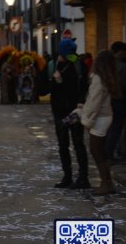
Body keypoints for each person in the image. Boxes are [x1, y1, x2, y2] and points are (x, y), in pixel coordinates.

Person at [75, 50, 121, 195]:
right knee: (100, 151)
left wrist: (86, 119)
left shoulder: (98, 79)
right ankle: (107, 182)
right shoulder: (107, 78)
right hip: (105, 116)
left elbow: (95, 102)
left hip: (100, 118)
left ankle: (106, 183)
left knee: (96, 151)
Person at [49, 39, 89, 189]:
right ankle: (68, 177)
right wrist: (56, 81)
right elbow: (42, 89)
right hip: (59, 112)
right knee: (63, 145)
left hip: (74, 112)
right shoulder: (53, 66)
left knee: (78, 144)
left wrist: (81, 101)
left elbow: (84, 87)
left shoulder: (80, 66)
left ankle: (83, 178)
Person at [105, 41, 126, 161]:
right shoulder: (121, 66)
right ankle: (111, 153)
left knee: (112, 128)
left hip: (111, 100)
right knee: (116, 128)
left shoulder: (108, 65)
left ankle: (109, 152)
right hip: (119, 100)